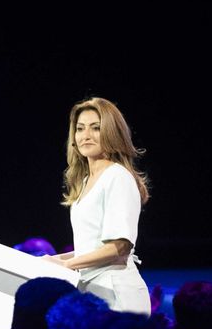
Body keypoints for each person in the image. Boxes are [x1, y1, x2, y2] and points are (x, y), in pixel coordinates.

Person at [47, 97, 151, 315]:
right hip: (94, 291)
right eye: (80, 129)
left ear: (112, 133)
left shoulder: (117, 176)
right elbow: (92, 247)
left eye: (95, 128)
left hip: (117, 295)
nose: (86, 135)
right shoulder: (85, 180)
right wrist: (53, 260)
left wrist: (68, 265)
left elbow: (120, 246)